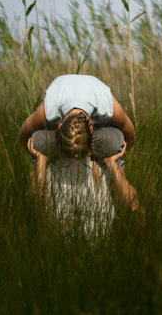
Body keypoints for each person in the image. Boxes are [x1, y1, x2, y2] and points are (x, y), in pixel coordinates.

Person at [19, 74, 139, 218]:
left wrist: (115, 159)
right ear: (59, 125)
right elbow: (24, 133)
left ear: (93, 132)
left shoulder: (106, 107)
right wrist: (38, 157)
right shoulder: (48, 110)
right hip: (59, 103)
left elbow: (130, 134)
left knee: (114, 142)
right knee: (38, 142)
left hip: (95, 106)